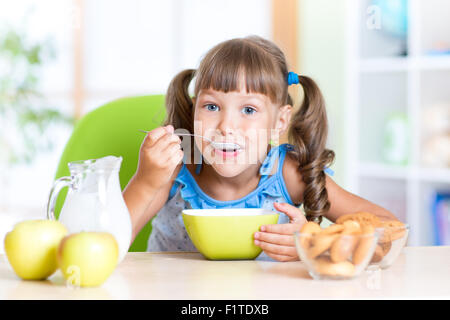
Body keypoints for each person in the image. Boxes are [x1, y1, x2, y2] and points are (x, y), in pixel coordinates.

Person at [123, 36, 398, 262]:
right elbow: (104, 241)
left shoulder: (289, 173)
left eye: (248, 109)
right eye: (211, 106)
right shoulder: (174, 169)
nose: (226, 126)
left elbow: (391, 232)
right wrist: (146, 181)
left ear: (279, 121)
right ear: (195, 109)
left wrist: (317, 245)